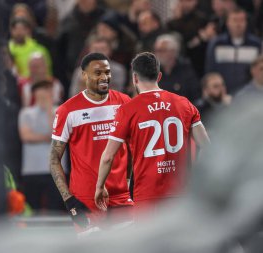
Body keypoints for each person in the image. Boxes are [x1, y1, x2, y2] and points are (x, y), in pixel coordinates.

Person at [95, 52, 210, 218]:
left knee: (149, 244)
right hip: (181, 194)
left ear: (134, 78)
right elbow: (207, 147)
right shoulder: (184, 104)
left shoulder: (127, 110)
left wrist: (100, 186)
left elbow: (108, 157)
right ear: (159, 76)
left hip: (147, 194)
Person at [50, 52, 133, 236]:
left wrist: (126, 183)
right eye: (97, 72)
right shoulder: (67, 111)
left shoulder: (125, 103)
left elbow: (131, 150)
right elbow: (54, 159)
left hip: (120, 198)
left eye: (107, 72)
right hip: (85, 201)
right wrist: (70, 202)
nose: (104, 77)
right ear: (84, 75)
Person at [19, 80, 64, 211]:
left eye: (49, 89)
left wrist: (49, 108)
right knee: (33, 211)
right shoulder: (26, 113)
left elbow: (57, 133)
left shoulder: (60, 111)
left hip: (56, 170)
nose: (46, 92)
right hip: (32, 170)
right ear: (34, 93)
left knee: (56, 211)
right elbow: (26, 136)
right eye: (42, 89)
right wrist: (48, 137)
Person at [205, 8, 261, 95]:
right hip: (223, 96)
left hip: (249, 96)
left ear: (246, 23)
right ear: (227, 22)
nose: (238, 24)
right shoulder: (217, 44)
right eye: (235, 20)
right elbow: (210, 72)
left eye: (241, 20)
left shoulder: (256, 44)